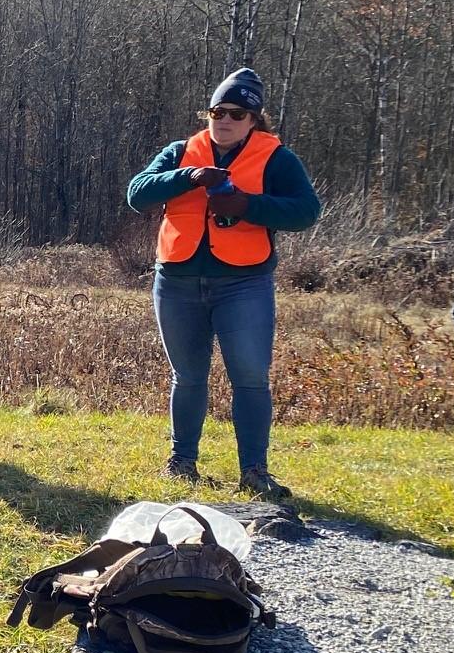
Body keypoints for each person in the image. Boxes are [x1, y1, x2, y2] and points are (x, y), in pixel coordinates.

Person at [126, 68, 321, 499]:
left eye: (237, 112)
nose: (225, 119)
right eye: (218, 111)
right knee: (188, 376)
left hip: (244, 284)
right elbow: (137, 193)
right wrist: (188, 177)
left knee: (250, 376)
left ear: (254, 120)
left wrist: (249, 205)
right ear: (208, 113)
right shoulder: (181, 151)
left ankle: (254, 471)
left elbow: (307, 211)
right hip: (176, 282)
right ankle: (182, 464)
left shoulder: (277, 159)